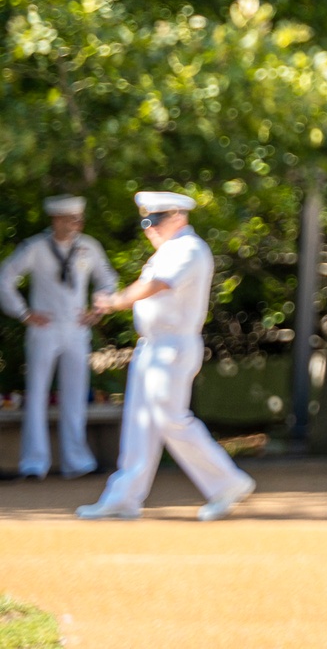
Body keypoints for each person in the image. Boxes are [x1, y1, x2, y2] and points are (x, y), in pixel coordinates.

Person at [78, 191, 257, 522]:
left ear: (177, 216)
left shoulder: (189, 248)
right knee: (140, 424)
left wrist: (115, 302)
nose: (149, 229)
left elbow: (157, 285)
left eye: (154, 221)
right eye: (145, 222)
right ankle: (124, 497)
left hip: (174, 345)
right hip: (154, 346)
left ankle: (227, 482)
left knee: (169, 418)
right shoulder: (169, 250)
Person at [0, 195, 118, 479]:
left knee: (76, 394)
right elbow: (5, 278)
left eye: (78, 219)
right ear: (56, 220)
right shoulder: (36, 248)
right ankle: (33, 463)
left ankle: (77, 462)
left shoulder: (88, 247)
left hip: (76, 327)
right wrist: (24, 313)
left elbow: (108, 279)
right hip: (44, 327)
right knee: (38, 393)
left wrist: (99, 309)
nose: (77, 224)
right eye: (70, 219)